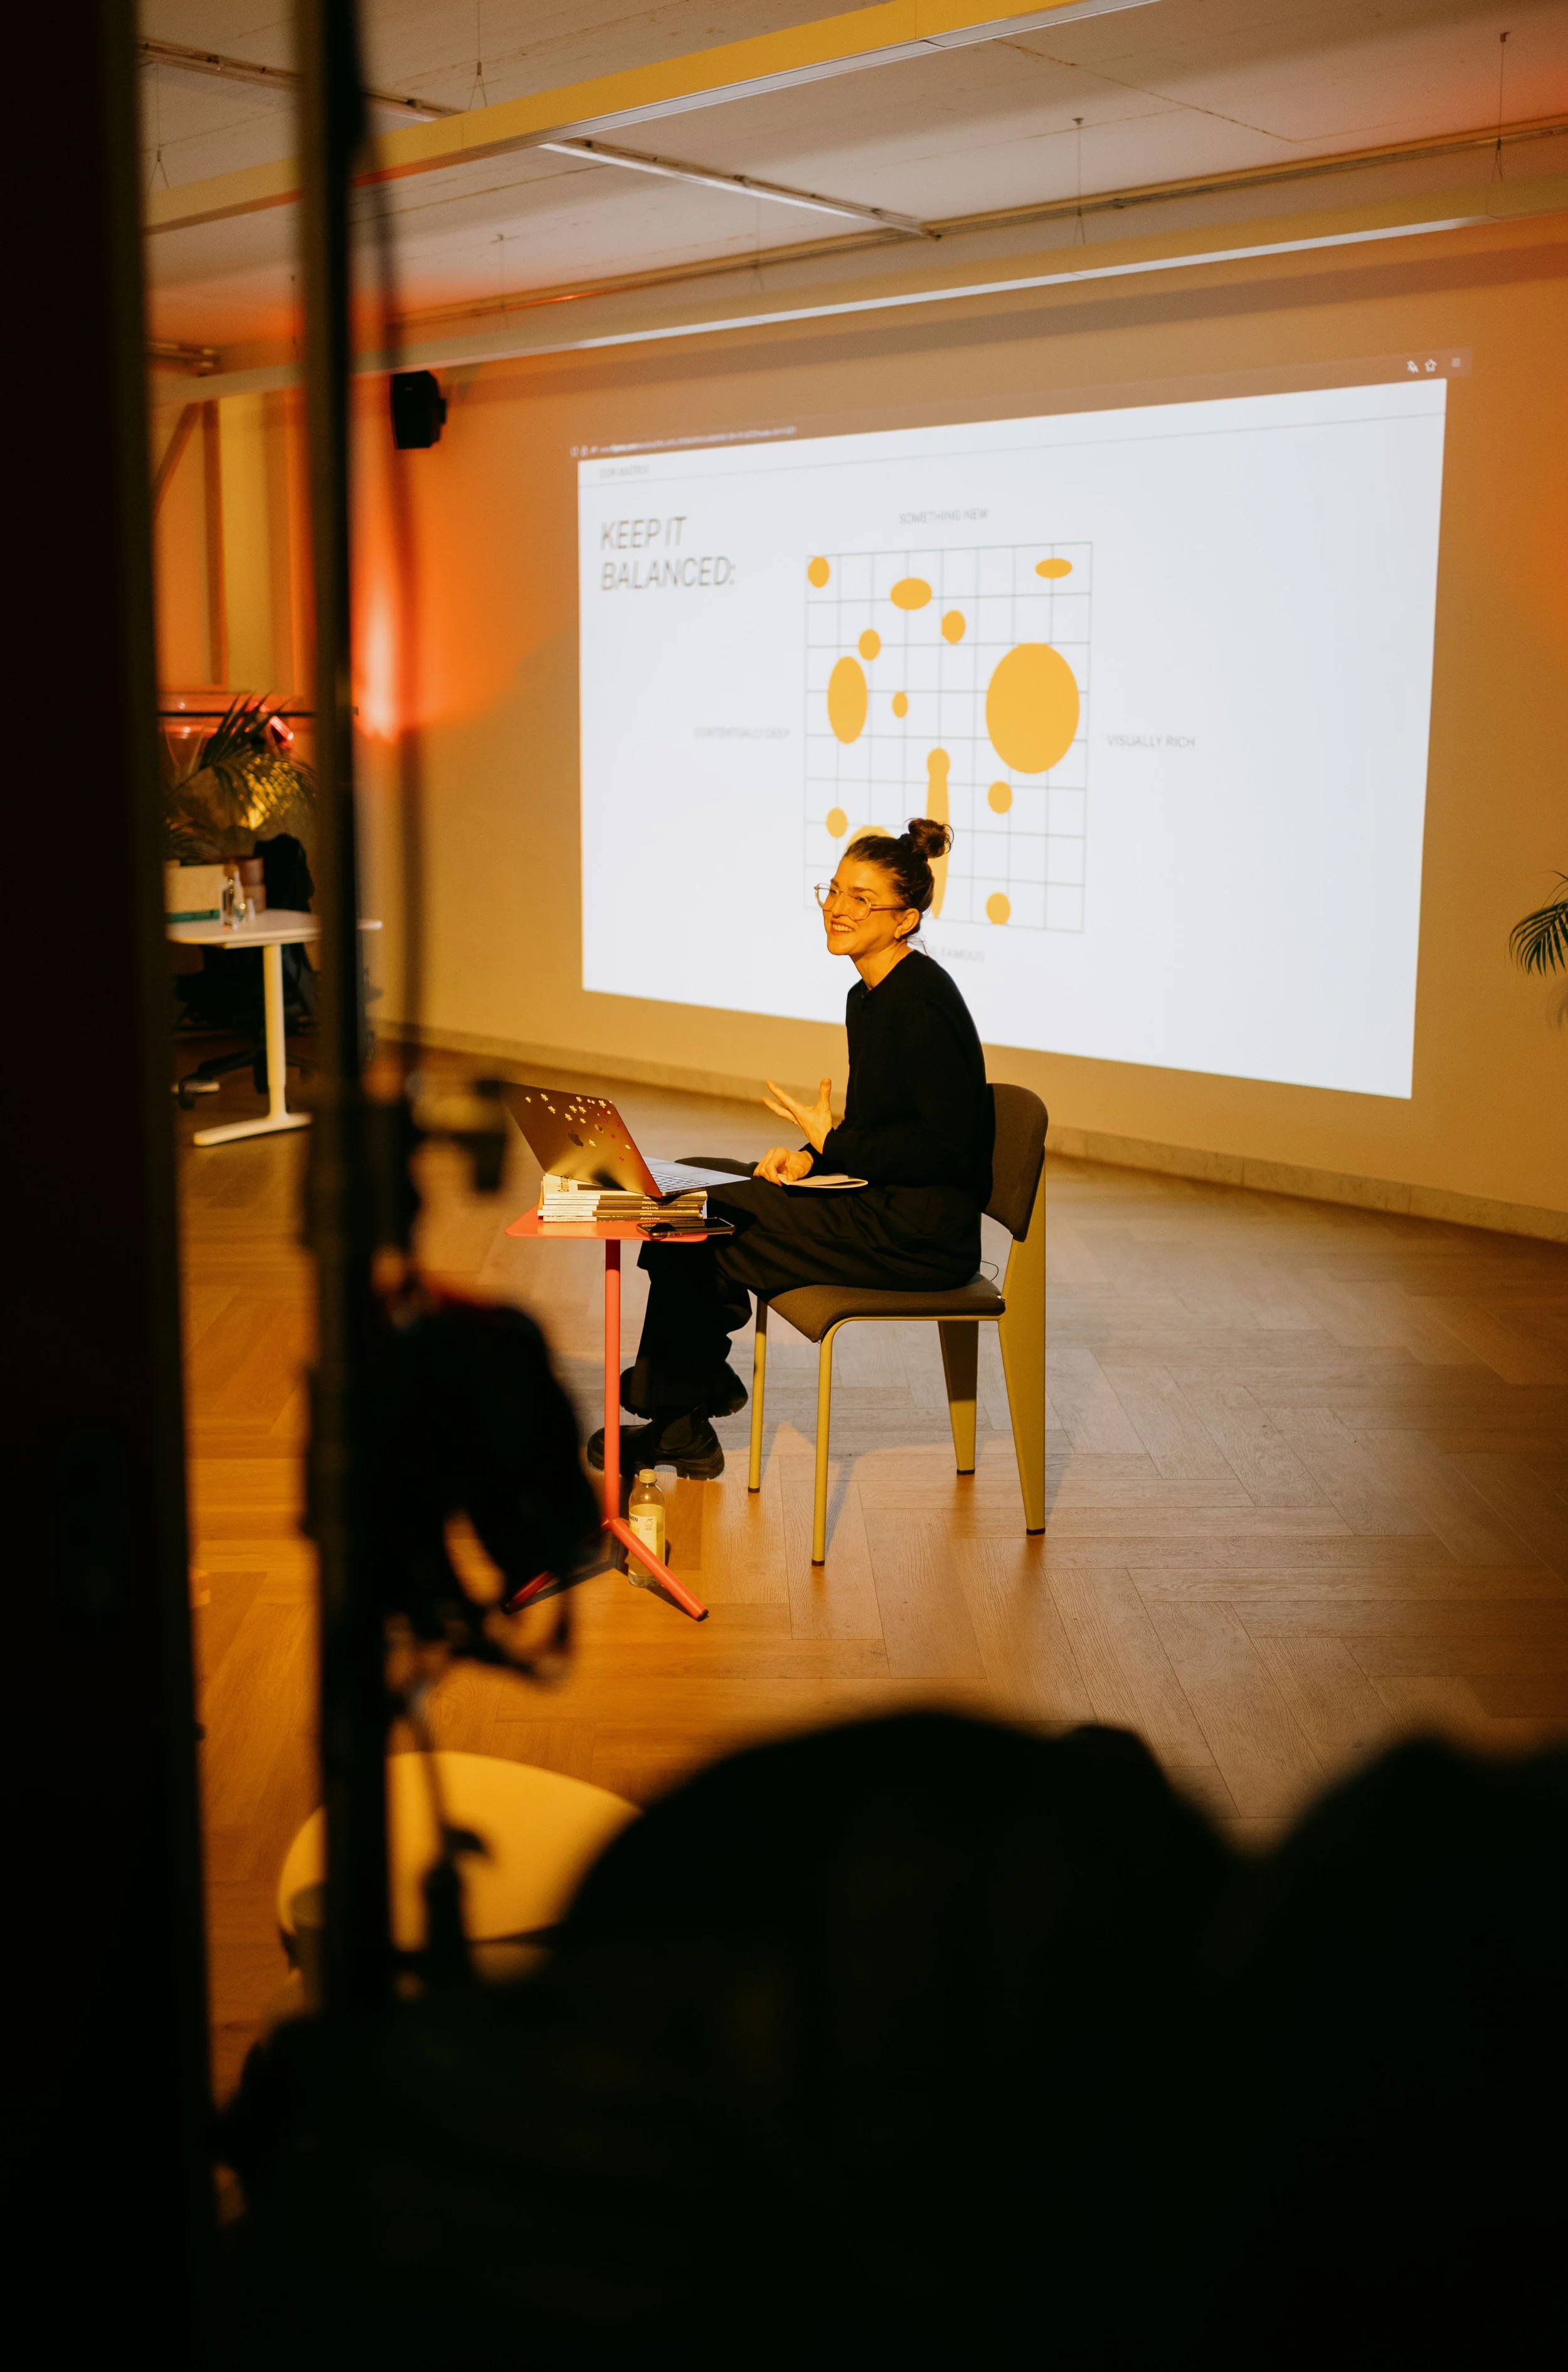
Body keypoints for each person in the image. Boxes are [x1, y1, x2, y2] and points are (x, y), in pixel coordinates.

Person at [590, 816, 995, 1479]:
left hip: (918, 1238)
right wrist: (813, 1159)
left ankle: (679, 1409)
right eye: (833, 890)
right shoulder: (868, 997)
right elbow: (881, 1133)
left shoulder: (920, 1002)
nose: (836, 908)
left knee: (694, 1204)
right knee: (704, 1181)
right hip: (881, 1208)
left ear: (905, 919)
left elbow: (947, 1152)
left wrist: (834, 1142)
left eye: (861, 899)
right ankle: (683, 1409)